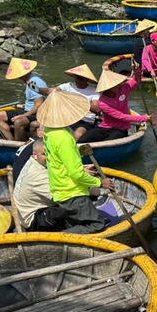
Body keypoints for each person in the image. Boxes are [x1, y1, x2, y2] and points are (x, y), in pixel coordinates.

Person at [39, 90, 114, 234]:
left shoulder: (50, 131)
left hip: (59, 187)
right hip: (71, 191)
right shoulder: (63, 137)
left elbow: (58, 155)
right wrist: (100, 183)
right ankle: (63, 238)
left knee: (78, 220)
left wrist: (78, 152)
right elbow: (76, 173)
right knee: (97, 225)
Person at [13, 139, 71, 232]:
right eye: (44, 154)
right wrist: (89, 191)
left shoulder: (32, 161)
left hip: (28, 210)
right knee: (74, 204)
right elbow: (65, 197)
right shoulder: (38, 176)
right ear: (35, 154)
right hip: (33, 220)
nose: (50, 157)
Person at [79, 69, 150, 143]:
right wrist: (142, 118)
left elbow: (136, 80)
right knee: (82, 140)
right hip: (104, 127)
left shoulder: (123, 88)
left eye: (117, 84)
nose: (117, 86)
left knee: (109, 142)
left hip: (120, 129)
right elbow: (121, 116)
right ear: (107, 88)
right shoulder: (103, 102)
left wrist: (136, 70)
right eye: (114, 86)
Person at [37, 64, 101, 141]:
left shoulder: (93, 92)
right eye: (76, 77)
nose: (77, 80)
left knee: (78, 134)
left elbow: (97, 109)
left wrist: (81, 102)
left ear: (86, 79)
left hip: (85, 120)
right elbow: (50, 91)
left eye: (80, 78)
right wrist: (36, 88)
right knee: (39, 126)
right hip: (66, 117)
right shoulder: (68, 86)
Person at [0, 58, 48, 141]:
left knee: (19, 121)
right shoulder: (30, 80)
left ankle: (17, 143)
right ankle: (11, 142)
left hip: (37, 114)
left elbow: (38, 105)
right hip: (29, 110)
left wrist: (22, 115)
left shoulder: (33, 82)